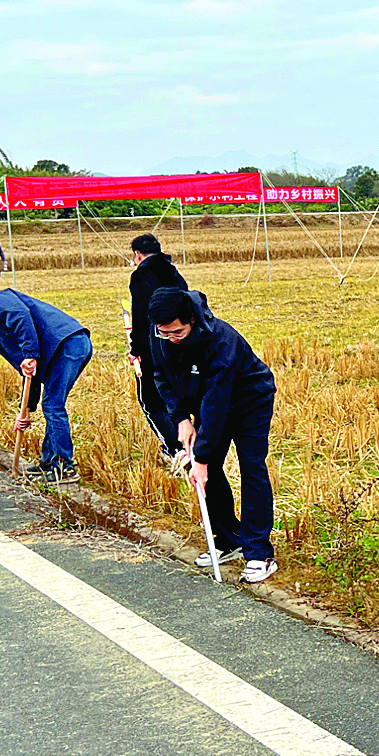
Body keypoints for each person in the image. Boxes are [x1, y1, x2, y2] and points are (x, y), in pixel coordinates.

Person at [147, 286, 278, 585]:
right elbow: (161, 377)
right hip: (207, 402)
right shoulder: (162, 335)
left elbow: (218, 402)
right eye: (164, 333)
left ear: (191, 319)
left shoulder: (222, 340)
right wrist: (180, 417)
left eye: (177, 332)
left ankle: (259, 553)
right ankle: (229, 539)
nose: (171, 338)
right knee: (207, 470)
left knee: (251, 466)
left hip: (248, 402)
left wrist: (202, 457)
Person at [0, 291, 92, 484]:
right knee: (51, 403)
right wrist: (25, 410)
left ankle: (64, 467)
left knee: (53, 405)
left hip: (67, 344)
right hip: (67, 347)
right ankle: (49, 463)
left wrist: (30, 353)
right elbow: (30, 375)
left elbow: (20, 315)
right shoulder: (1, 337)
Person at [128, 233, 188, 456]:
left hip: (154, 345)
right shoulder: (174, 272)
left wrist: (136, 350)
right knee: (176, 397)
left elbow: (141, 315)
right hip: (181, 343)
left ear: (137, 255)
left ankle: (175, 449)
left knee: (151, 402)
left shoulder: (141, 276)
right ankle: (187, 440)